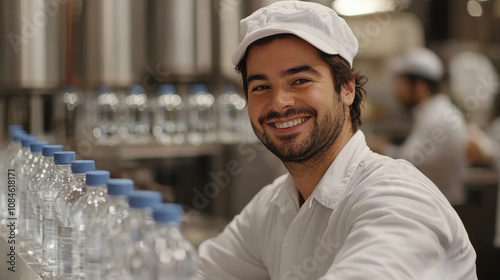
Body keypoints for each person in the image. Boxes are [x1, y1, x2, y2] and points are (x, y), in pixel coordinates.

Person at [197, 2, 477, 279]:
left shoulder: (398, 198)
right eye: (261, 87)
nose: (279, 103)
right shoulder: (274, 204)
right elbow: (199, 272)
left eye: (300, 81)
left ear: (347, 89)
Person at [371, 48, 469, 206]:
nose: (397, 91)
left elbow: (408, 162)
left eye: (401, 84)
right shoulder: (437, 111)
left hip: (441, 206)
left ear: (420, 86)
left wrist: (381, 148)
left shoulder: (437, 118)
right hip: (438, 203)